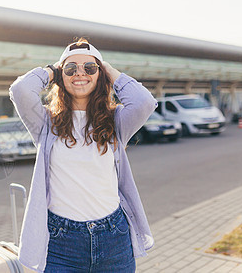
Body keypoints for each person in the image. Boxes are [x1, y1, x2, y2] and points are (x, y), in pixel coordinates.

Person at [9, 38, 157, 272]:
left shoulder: (116, 120)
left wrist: (108, 70)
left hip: (113, 237)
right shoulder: (46, 123)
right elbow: (20, 90)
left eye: (89, 68)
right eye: (70, 68)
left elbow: (144, 102)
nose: (80, 73)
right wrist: (52, 70)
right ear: (61, 75)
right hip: (61, 241)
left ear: (100, 75)